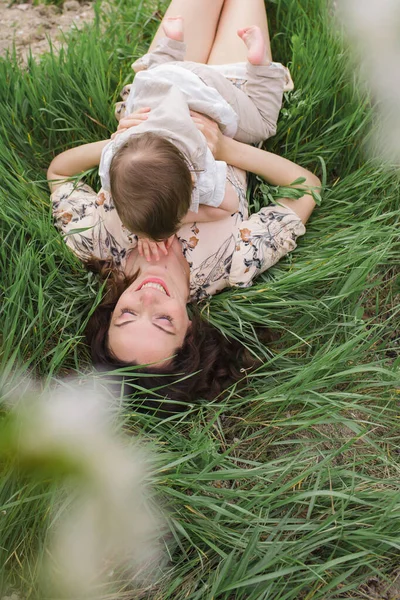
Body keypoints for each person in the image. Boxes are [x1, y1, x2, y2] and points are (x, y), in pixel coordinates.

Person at [47, 0, 321, 405]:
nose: (148, 298)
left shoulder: (96, 243)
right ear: (190, 332)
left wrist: (118, 143)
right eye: (163, 321)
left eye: (126, 314)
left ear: (110, 314)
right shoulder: (232, 262)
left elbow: (59, 173)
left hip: (161, 86)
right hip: (232, 100)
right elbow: (307, 188)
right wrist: (228, 148)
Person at [101, 15, 293, 255]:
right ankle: (170, 43)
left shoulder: (199, 168)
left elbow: (229, 205)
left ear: (192, 182)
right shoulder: (110, 164)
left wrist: (181, 218)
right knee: (144, 95)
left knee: (262, 125)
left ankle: (261, 66)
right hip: (158, 80)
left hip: (203, 89)